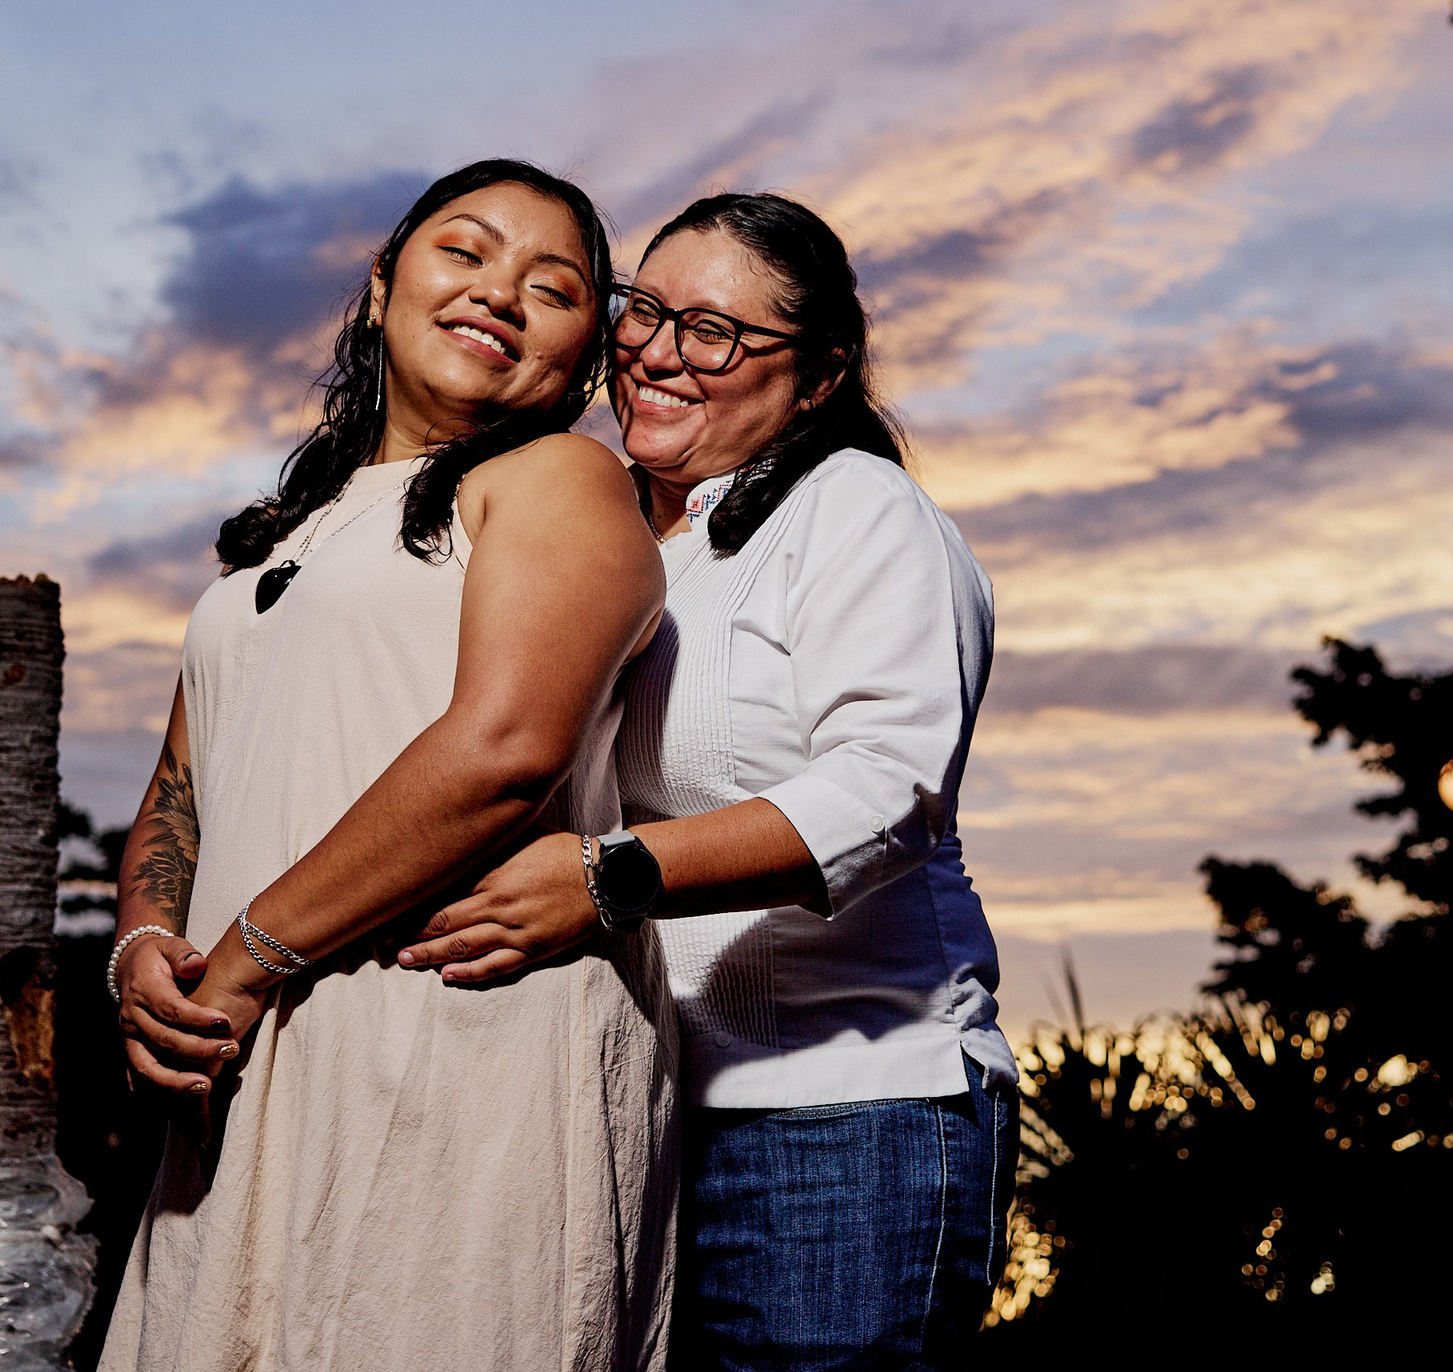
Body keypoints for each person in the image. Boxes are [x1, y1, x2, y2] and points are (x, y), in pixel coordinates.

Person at [405, 192, 1014, 1369]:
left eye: (713, 332)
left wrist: (607, 876)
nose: (654, 354)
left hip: (844, 1112)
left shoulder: (860, 512)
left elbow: (886, 789)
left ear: (821, 373)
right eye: (643, 310)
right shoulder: (619, 537)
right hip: (640, 1108)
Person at [98, 160, 677, 1372]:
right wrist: (146, 948)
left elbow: (505, 752)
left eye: (553, 286)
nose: (500, 292)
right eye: (464, 252)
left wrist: (251, 953)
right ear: (380, 288)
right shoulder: (280, 537)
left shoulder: (558, 481)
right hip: (241, 1056)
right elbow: (180, 788)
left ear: (584, 358)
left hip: (453, 1038)